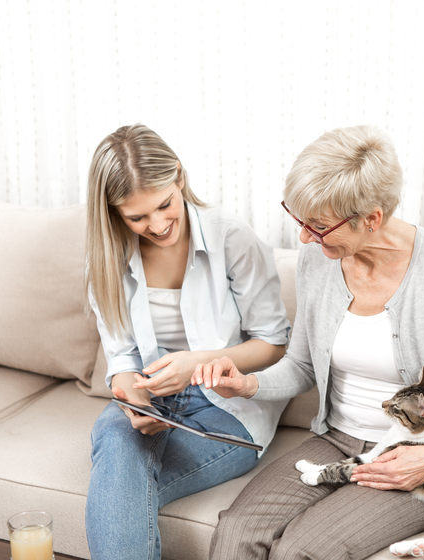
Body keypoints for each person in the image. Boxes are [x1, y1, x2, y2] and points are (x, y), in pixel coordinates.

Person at [192, 125, 424, 560]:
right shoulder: (319, 260)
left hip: (416, 456)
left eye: (317, 226)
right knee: (237, 531)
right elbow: (302, 365)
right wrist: (246, 384)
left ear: (371, 218)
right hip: (334, 441)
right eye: (299, 221)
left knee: (302, 551)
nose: (303, 238)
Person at [83, 124, 290, 560]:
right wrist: (134, 397)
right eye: (137, 217)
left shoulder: (231, 236)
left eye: (164, 205)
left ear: (178, 176)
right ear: (113, 213)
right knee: (120, 441)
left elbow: (273, 344)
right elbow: (121, 358)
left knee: (121, 483)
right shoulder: (107, 259)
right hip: (157, 398)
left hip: (229, 409)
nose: (157, 226)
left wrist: (196, 365)